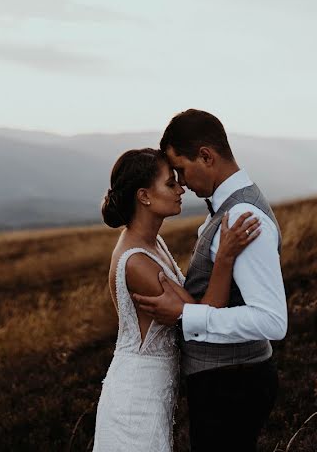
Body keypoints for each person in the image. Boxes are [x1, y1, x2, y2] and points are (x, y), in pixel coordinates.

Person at [133, 109, 288, 452]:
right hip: (227, 381)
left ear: (206, 156)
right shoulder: (228, 209)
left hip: (232, 385)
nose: (182, 183)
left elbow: (272, 320)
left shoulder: (243, 216)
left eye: (182, 170)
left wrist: (186, 315)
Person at [93, 147, 262, 452]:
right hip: (136, 402)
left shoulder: (153, 242)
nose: (181, 188)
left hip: (153, 396)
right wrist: (224, 257)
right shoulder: (136, 262)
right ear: (144, 196)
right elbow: (206, 316)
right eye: (170, 183)